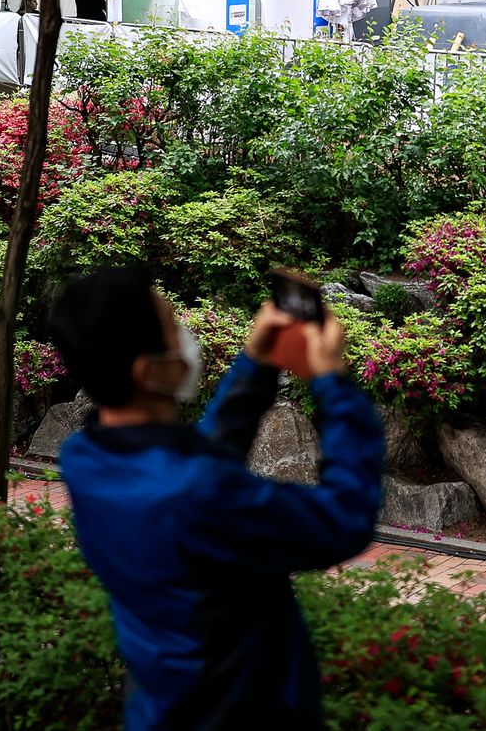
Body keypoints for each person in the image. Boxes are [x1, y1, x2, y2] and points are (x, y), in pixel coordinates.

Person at [51, 266, 384, 729]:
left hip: (160, 706)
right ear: (151, 371)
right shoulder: (198, 493)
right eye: (174, 327)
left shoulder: (86, 458)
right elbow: (345, 519)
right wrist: (333, 384)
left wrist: (257, 363)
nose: (186, 335)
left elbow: (193, 458)